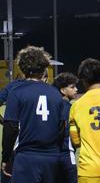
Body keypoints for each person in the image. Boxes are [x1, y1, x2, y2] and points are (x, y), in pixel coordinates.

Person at [2, 46, 64, 183]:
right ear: (44, 68)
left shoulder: (16, 93)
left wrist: (6, 158)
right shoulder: (55, 93)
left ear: (22, 68)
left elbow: (10, 128)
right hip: (52, 157)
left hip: (27, 156)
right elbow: (61, 128)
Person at [53, 72, 79, 183]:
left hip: (54, 153)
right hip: (66, 152)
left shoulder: (54, 105)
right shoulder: (66, 107)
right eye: (72, 87)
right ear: (63, 90)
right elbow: (62, 129)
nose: (76, 89)